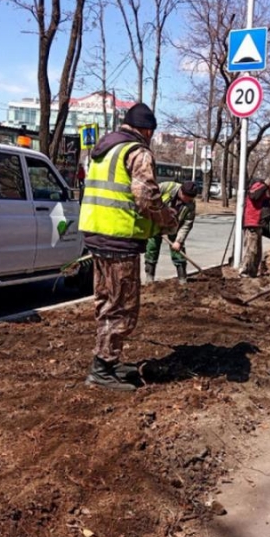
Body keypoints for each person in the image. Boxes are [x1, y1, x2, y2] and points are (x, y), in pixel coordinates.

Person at [78, 102, 178, 391]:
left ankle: (109, 360)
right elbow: (146, 197)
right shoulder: (137, 152)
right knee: (123, 307)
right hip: (119, 239)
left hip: (97, 234)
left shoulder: (103, 148)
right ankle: (101, 370)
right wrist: (166, 218)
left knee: (106, 302)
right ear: (147, 130)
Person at [144, 180, 199, 285]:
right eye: (187, 198)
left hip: (173, 226)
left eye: (190, 199)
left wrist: (178, 241)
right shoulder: (167, 187)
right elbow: (148, 196)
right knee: (152, 248)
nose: (188, 201)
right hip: (155, 223)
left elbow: (187, 224)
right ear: (181, 192)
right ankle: (149, 278)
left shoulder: (191, 204)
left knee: (178, 252)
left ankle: (182, 279)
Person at [240, 176, 270, 277]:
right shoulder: (258, 187)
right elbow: (254, 196)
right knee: (251, 249)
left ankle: (253, 273)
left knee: (257, 251)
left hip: (259, 224)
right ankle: (245, 272)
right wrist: (265, 185)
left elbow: (261, 209)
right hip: (252, 222)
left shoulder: (266, 193)